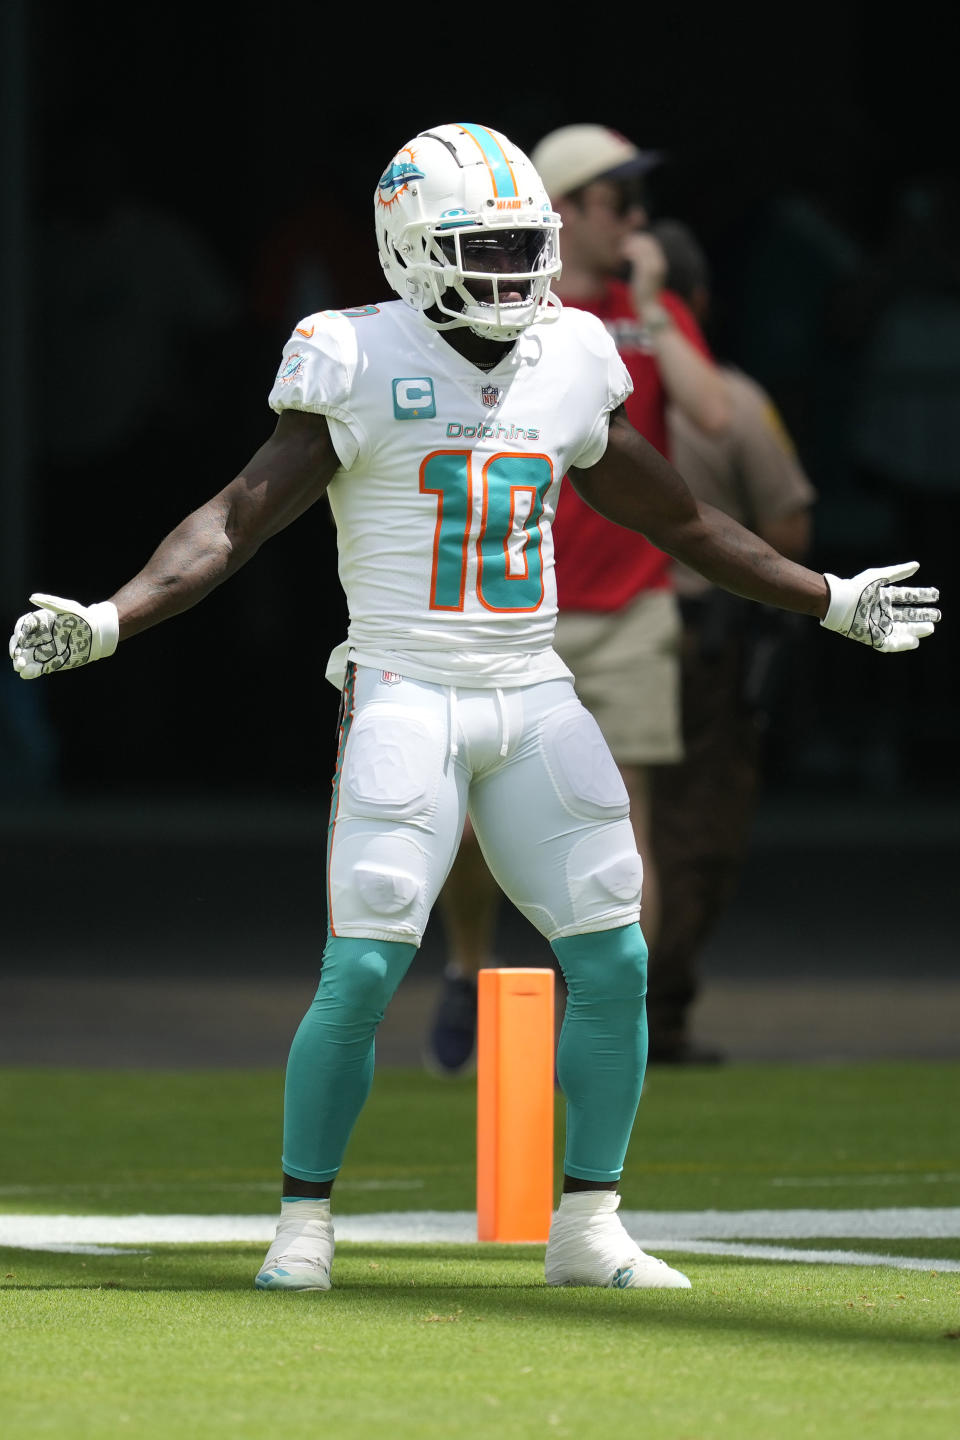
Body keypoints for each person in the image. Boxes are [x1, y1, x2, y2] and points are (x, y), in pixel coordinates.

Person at [9, 122, 939, 1296]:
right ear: (407, 247)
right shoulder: (353, 354)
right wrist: (113, 616)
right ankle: (302, 1223)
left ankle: (589, 1222)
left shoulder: (571, 354)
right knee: (363, 965)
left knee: (614, 957)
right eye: (482, 245)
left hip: (532, 687)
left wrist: (829, 599)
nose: (511, 273)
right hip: (406, 684)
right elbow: (234, 522)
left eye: (523, 245)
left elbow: (683, 518)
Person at [425, 123, 729, 1076]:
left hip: (633, 608)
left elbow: (713, 415)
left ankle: (602, 1036)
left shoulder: (651, 311)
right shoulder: (511, 316)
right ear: (560, 210)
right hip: (513, 612)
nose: (637, 220)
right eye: (617, 202)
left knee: (621, 822)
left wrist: (652, 309)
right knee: (471, 819)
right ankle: (470, 966)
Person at [644, 218, 819, 1062]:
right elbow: (787, 525)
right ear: (701, 302)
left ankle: (616, 1008)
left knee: (613, 828)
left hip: (595, 632)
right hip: (704, 638)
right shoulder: (735, 401)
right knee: (699, 827)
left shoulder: (581, 390)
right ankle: (656, 1012)